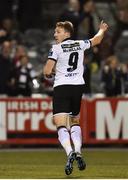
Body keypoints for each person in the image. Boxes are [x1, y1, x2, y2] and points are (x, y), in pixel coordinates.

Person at [43, 20, 108, 175]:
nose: (55, 34)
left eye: (58, 32)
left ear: (67, 33)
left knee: (60, 124)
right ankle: (78, 151)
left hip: (61, 88)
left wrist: (50, 73)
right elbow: (97, 40)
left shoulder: (56, 48)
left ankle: (69, 152)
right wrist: (102, 30)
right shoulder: (80, 44)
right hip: (78, 87)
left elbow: (47, 70)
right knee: (74, 121)